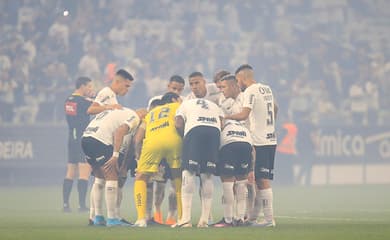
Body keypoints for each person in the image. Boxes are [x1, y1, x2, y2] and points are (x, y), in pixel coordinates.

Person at [225, 64, 278, 227]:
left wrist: (225, 117)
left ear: (241, 78)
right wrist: (269, 126)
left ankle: (269, 220)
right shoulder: (266, 88)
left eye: (237, 80)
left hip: (259, 141)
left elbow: (243, 114)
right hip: (270, 138)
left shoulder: (250, 91)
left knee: (262, 180)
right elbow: (275, 108)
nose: (238, 84)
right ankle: (253, 219)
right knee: (257, 180)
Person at [81, 107, 147, 226]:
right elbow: (119, 132)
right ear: (142, 116)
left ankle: (98, 217)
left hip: (86, 138)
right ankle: (112, 219)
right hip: (101, 140)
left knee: (99, 178)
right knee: (112, 176)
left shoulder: (120, 112)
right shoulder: (135, 118)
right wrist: (115, 155)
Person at [86, 69, 134, 225]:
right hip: (100, 138)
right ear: (117, 82)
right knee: (107, 177)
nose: (127, 90)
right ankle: (109, 218)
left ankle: (94, 217)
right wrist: (109, 108)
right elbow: (91, 109)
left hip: (93, 137)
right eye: (126, 86)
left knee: (99, 179)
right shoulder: (107, 92)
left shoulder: (112, 96)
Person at [132, 92, 183, 227]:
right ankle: (182, 218)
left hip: (152, 143)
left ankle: (141, 219)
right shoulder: (178, 106)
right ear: (174, 99)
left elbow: (138, 138)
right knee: (178, 178)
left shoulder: (151, 114)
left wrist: (138, 156)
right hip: (174, 141)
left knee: (141, 178)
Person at [173, 97, 224, 228]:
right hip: (214, 131)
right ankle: (204, 220)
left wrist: (185, 137)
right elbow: (222, 123)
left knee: (188, 172)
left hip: (194, 131)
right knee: (207, 175)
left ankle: (185, 219)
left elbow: (178, 123)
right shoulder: (214, 104)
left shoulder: (185, 103)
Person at [145, 75, 185, 225]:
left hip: (176, 148)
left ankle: (171, 216)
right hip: (160, 149)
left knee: (175, 185)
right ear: (168, 86)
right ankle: (156, 213)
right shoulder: (155, 101)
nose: (177, 91)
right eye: (174, 88)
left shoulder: (183, 102)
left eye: (179, 89)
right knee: (159, 185)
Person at [212, 120, 253, 227]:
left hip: (229, 144)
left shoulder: (221, 124)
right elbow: (253, 150)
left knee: (227, 183)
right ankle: (240, 218)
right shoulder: (242, 125)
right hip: (246, 143)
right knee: (241, 183)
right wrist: (251, 169)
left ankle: (228, 219)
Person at [63, 77, 94, 213]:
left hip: (71, 137)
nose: (91, 90)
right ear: (82, 86)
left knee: (70, 171)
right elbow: (96, 108)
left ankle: (65, 205)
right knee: (84, 170)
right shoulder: (83, 102)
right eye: (89, 87)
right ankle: (82, 205)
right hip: (81, 137)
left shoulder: (68, 100)